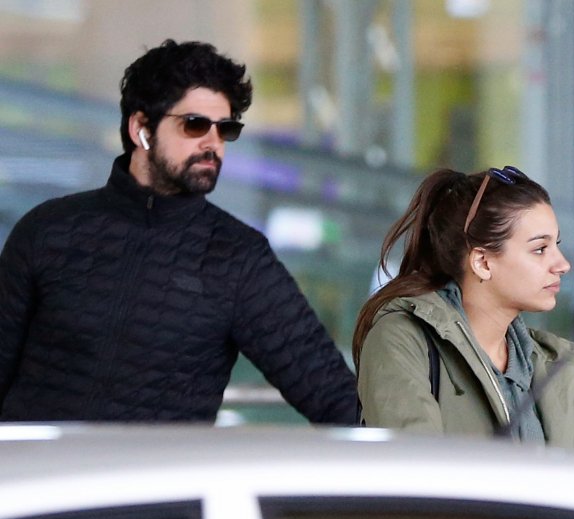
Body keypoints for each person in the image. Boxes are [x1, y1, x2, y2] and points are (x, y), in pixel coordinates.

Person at [0, 39, 358, 425]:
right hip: (34, 464)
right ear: (141, 129)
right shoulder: (48, 230)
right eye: (195, 125)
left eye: (226, 129)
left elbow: (333, 395)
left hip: (159, 467)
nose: (213, 143)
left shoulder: (239, 258)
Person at [353, 166, 574, 446]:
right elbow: (416, 468)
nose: (563, 265)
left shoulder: (554, 363)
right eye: (540, 249)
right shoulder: (401, 339)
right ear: (482, 262)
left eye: (556, 245)